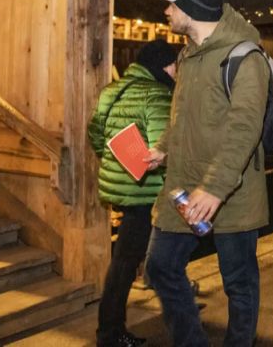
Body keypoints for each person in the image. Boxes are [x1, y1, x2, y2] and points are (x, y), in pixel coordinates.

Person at [144, 0, 270, 346]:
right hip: (184, 187)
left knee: (239, 284)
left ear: (192, 8)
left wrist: (214, 189)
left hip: (232, 192)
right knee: (160, 267)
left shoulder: (246, 58)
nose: (166, 9)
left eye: (173, 4)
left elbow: (243, 130)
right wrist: (162, 149)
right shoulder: (188, 55)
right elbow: (182, 116)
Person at [89, 39, 177, 347]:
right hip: (144, 193)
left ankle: (110, 330)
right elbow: (160, 150)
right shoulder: (158, 94)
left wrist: (115, 166)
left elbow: (96, 135)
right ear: (164, 66)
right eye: (175, 65)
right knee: (128, 263)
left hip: (119, 188)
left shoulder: (113, 90)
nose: (177, 72)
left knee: (126, 260)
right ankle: (111, 333)